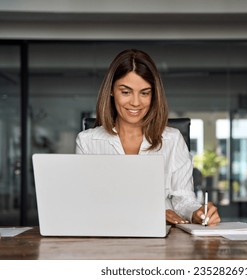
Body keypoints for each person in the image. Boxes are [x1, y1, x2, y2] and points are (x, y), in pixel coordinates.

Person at [76, 49, 221, 226]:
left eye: (144, 93)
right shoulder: (87, 142)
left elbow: (183, 199)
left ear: (153, 95)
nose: (136, 102)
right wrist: (149, 214)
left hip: (164, 240)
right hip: (109, 237)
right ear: (112, 91)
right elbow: (88, 203)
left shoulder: (173, 139)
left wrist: (196, 213)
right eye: (126, 92)